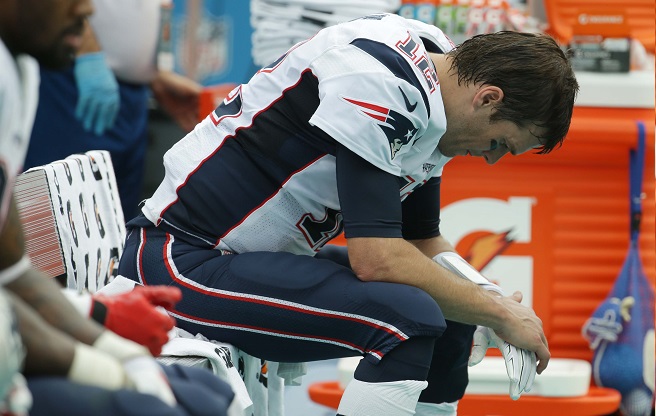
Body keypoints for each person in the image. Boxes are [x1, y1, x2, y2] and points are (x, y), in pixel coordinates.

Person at [118, 12, 579, 416]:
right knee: (407, 320)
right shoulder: (384, 83)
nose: (492, 157)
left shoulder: (441, 80)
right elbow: (376, 258)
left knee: (451, 311)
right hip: (179, 261)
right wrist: (498, 314)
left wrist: (486, 297)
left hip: (235, 257)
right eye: (500, 142)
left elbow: (420, 240)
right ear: (488, 98)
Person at [0, 0, 232, 415]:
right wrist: (111, 368)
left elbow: (11, 272)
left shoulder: (20, 70)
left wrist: (108, 332)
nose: (89, 8)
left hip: (13, 342)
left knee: (207, 394)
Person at [24, 0, 201, 219]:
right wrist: (86, 47)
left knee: (116, 224)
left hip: (133, 97)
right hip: (74, 80)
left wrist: (151, 75)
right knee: (63, 216)